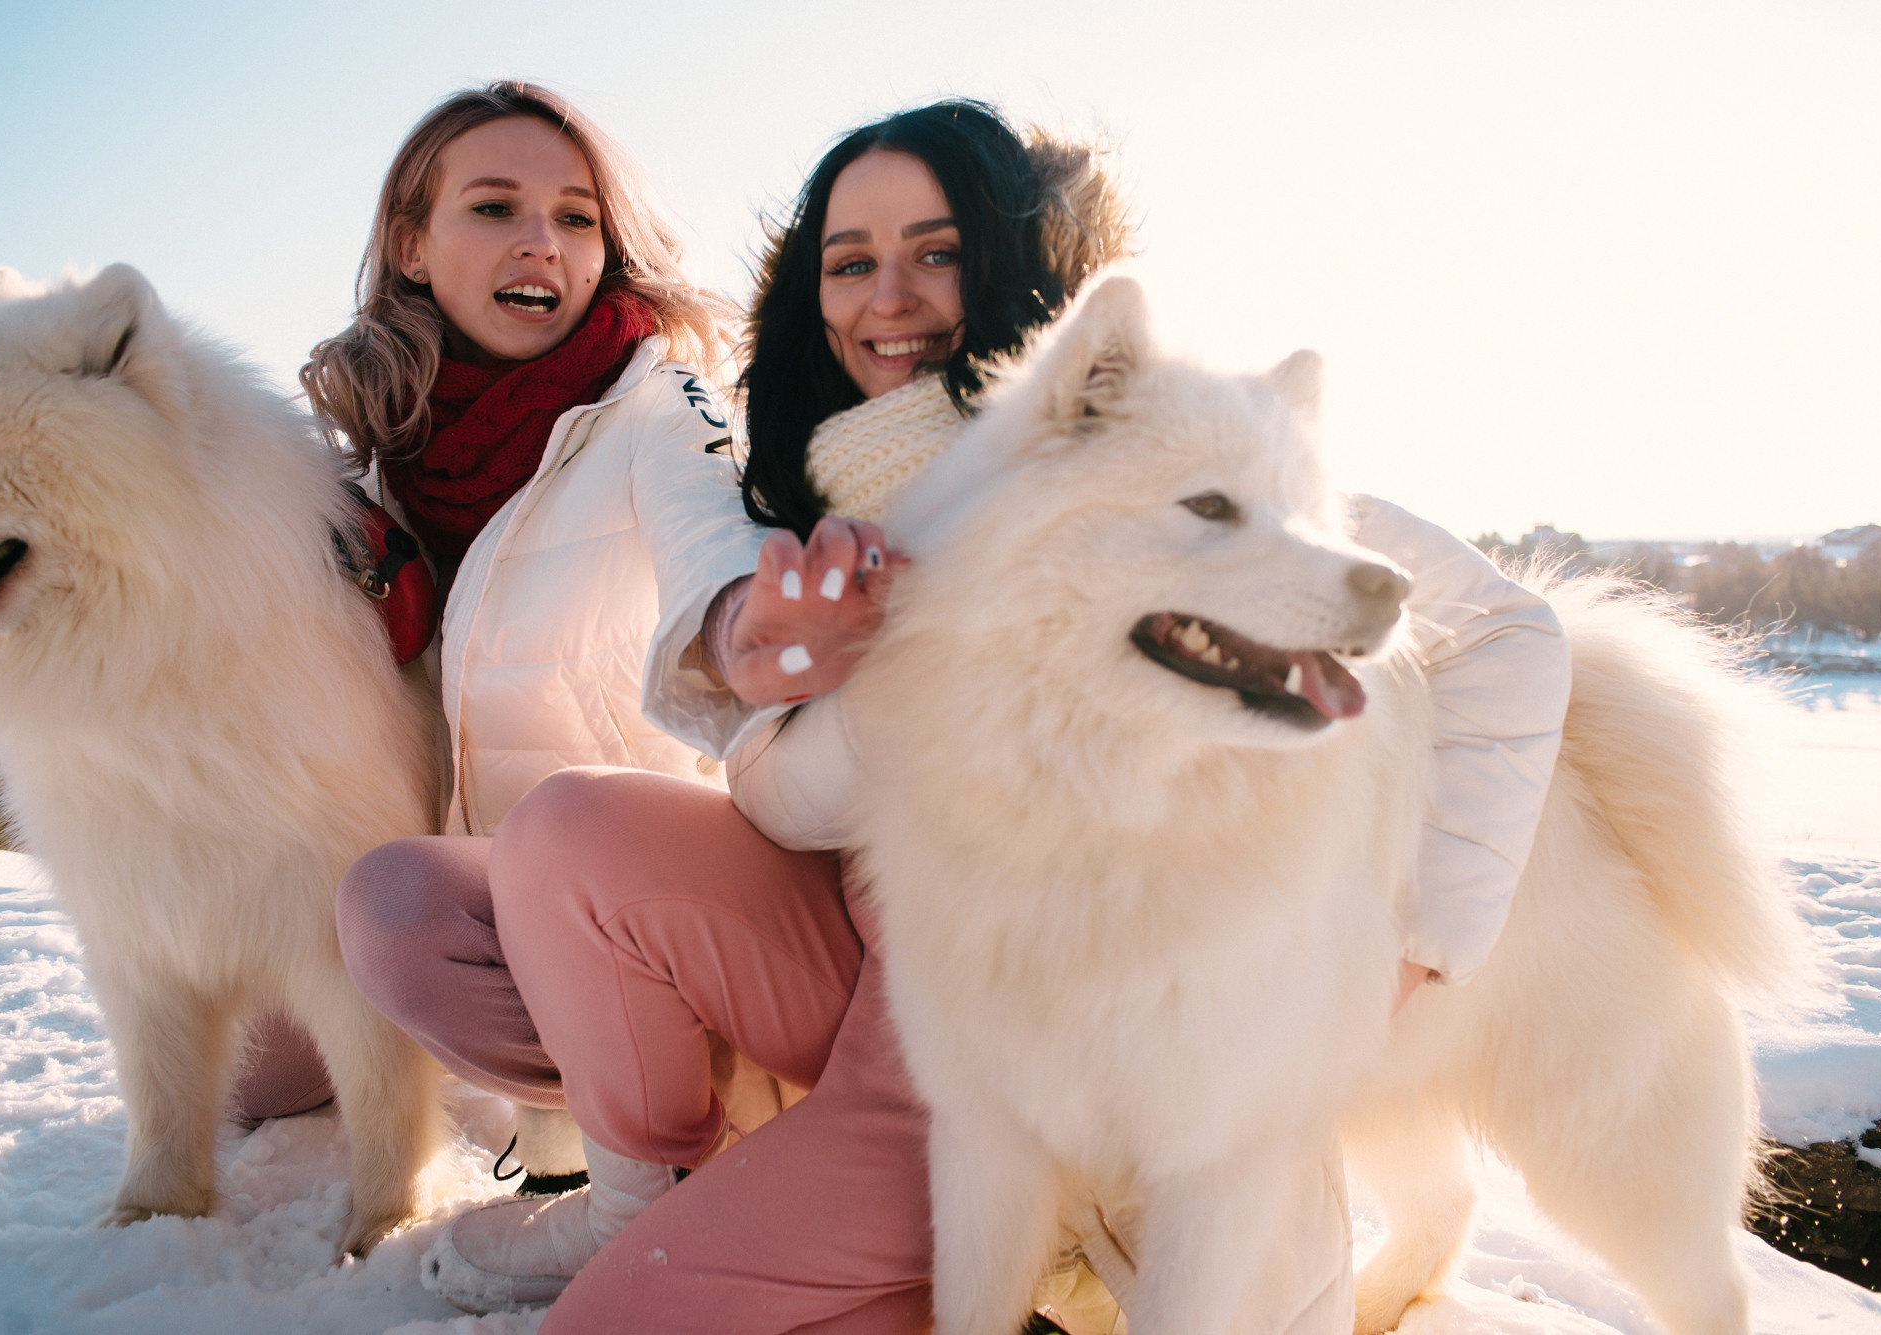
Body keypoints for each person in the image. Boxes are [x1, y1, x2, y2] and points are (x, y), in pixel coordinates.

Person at [408, 99, 1571, 1335]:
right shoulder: (803, 485)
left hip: (1122, 1024)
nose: (887, 296)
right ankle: (709, 1200)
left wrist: (1398, 964)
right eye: (848, 263)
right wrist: (806, 668)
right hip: (909, 996)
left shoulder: (1161, 447)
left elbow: (1507, 633)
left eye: (936, 250)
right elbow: (778, 799)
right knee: (556, 841)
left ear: (1008, 259)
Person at [230, 81, 846, 1157]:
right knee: (256, 1077)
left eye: (574, 218)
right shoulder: (376, 458)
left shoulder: (657, 402)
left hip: (632, 904)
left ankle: (632, 1131)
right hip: (471, 878)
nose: (542, 245)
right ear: (413, 244)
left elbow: (717, 537)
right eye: (495, 208)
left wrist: (751, 619)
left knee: (397, 913)